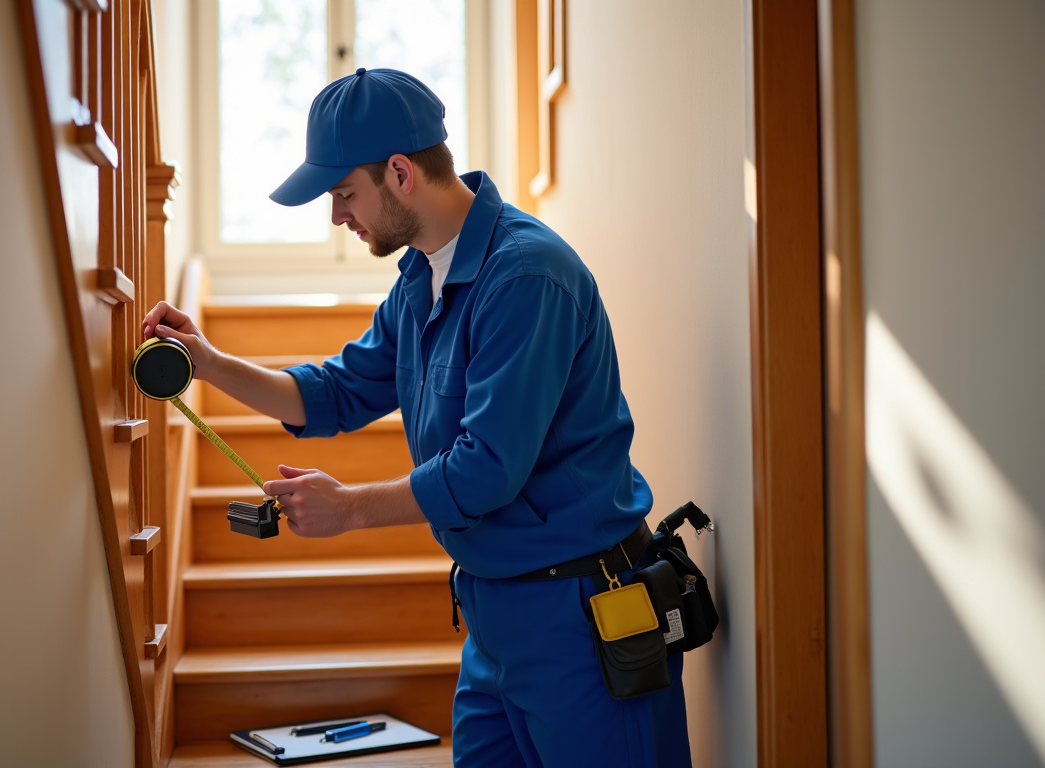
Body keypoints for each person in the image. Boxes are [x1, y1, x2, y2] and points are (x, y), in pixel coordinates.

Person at [142, 67, 691, 768]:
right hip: (492, 617)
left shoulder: (525, 277)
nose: (338, 215)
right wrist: (209, 362)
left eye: (344, 193)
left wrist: (351, 509)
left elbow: (487, 469)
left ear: (400, 172)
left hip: (580, 613)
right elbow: (334, 393)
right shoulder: (421, 280)